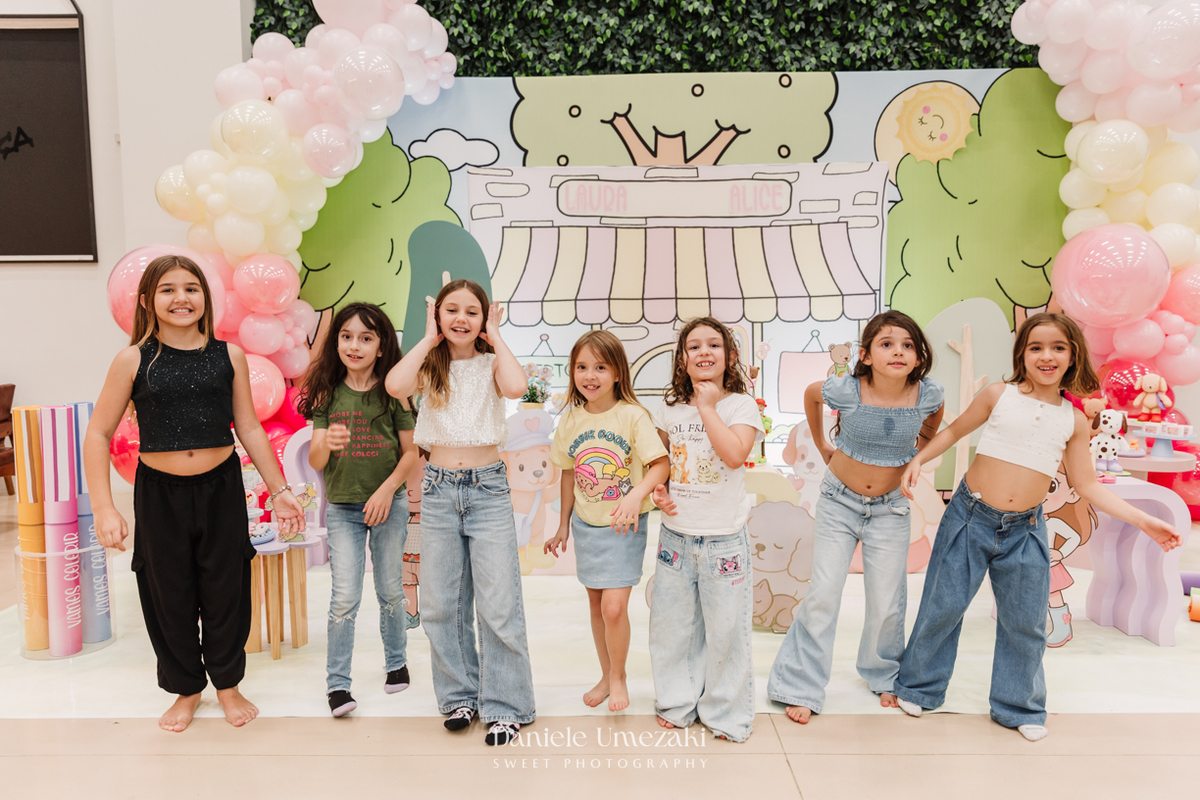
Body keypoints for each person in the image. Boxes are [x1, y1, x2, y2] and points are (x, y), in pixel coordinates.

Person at [894, 312, 1181, 741]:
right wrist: (918, 458)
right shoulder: (998, 395)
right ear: (1022, 354)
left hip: (1025, 529)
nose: (1046, 356)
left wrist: (1144, 520)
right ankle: (919, 686)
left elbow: (1086, 484)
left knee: (1025, 621)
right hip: (970, 516)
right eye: (1036, 347)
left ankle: (1018, 706)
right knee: (944, 605)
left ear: (1072, 357)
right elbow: (954, 431)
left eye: (1058, 348)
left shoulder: (1075, 420)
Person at [83, 254, 306, 733]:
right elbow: (98, 434)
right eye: (168, 289)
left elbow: (248, 426)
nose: (181, 297)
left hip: (221, 486)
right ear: (148, 301)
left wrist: (280, 490)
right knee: (169, 592)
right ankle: (187, 688)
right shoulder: (133, 359)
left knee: (226, 587)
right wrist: (103, 507)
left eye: (191, 288)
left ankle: (227, 684)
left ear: (206, 297)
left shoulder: (229, 356)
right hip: (159, 495)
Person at [767, 311, 944, 724]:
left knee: (887, 599)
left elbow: (934, 424)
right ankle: (800, 684)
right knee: (824, 594)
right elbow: (812, 395)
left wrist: (919, 451)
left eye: (907, 345)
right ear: (865, 355)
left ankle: (883, 673)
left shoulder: (927, 394)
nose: (897, 351)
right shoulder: (845, 389)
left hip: (891, 508)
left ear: (918, 358)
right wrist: (822, 444)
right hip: (839, 502)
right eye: (886, 344)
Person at [384, 279, 535, 746]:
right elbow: (394, 385)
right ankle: (458, 698)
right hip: (440, 489)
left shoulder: (493, 363)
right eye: (452, 310)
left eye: (473, 311)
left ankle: (506, 707)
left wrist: (498, 334)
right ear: (438, 316)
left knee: (498, 603)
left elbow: (517, 386)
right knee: (439, 604)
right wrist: (428, 338)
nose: (461, 319)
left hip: (488, 489)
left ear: (485, 318)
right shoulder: (431, 364)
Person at [649, 317, 764, 742]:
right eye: (693, 346)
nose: (703, 352)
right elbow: (662, 462)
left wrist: (708, 407)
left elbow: (734, 455)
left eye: (713, 345)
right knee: (672, 627)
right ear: (682, 359)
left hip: (723, 541)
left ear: (730, 356)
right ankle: (677, 702)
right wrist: (658, 491)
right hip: (676, 537)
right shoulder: (669, 409)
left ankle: (726, 713)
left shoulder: (739, 406)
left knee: (726, 631)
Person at [301, 303, 418, 717]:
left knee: (389, 589)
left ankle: (396, 663)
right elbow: (316, 462)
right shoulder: (328, 393)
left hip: (389, 505)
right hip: (344, 510)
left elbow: (411, 455)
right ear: (337, 343)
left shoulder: (395, 392)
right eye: (347, 336)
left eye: (366, 338)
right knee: (343, 598)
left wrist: (387, 491)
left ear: (382, 346)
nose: (355, 345)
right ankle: (337, 686)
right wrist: (324, 444)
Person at [543, 331, 669, 712]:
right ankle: (605, 673)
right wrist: (563, 524)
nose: (590, 375)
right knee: (598, 606)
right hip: (586, 526)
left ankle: (618, 678)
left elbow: (660, 464)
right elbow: (568, 474)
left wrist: (635, 495)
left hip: (623, 527)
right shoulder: (570, 420)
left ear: (617, 373)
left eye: (600, 366)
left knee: (614, 608)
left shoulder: (633, 415)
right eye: (582, 367)